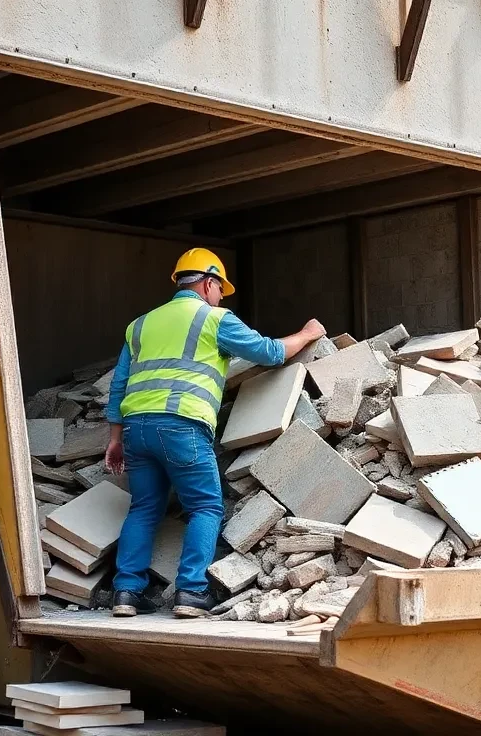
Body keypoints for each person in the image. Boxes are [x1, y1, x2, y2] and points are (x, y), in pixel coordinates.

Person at [102, 248, 326, 618]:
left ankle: (126, 593)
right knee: (205, 506)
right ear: (208, 283)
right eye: (221, 288)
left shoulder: (139, 325)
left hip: (136, 430)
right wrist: (307, 333)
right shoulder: (214, 318)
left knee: (143, 508)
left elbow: (119, 384)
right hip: (182, 426)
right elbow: (269, 352)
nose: (222, 296)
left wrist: (114, 438)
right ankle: (191, 592)